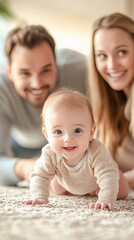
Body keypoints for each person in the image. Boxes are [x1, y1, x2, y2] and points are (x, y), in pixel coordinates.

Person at [0, 25, 88, 186]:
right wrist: (25, 168)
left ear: (56, 64)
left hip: (74, 141)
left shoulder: (82, 69)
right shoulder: (1, 89)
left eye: (46, 70)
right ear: (10, 72)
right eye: (25, 73)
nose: (37, 84)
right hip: (21, 146)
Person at [24, 89, 129, 211]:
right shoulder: (49, 153)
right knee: (56, 188)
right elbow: (40, 176)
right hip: (68, 183)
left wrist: (105, 199)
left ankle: (99, 188)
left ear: (91, 132)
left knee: (122, 191)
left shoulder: (96, 150)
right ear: (47, 135)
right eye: (58, 132)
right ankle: (77, 191)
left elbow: (107, 175)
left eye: (77, 131)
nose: (68, 139)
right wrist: (39, 197)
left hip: (96, 181)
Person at [89, 12, 134, 188]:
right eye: (102, 55)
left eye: (121, 52)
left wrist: (113, 182)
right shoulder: (116, 101)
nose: (111, 65)